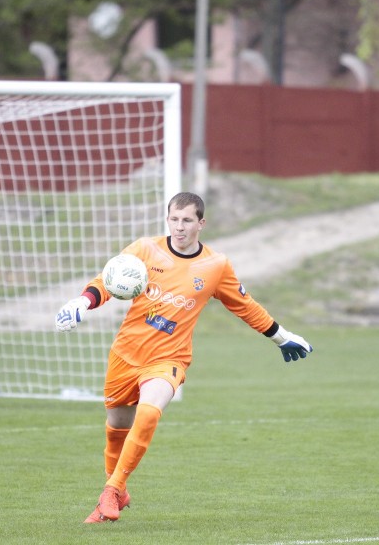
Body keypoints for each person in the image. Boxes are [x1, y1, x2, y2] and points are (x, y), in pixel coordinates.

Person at [54, 191, 313, 524]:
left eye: (187, 220)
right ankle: (117, 487)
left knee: (148, 413)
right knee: (117, 425)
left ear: (201, 223)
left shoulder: (215, 266)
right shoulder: (144, 250)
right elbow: (108, 282)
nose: (179, 227)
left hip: (169, 358)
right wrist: (82, 302)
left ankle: (111, 489)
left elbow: (244, 306)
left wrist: (281, 336)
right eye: (174, 219)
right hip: (126, 353)